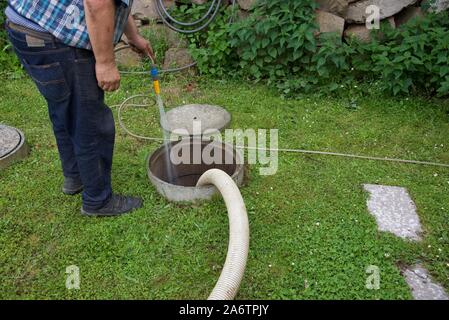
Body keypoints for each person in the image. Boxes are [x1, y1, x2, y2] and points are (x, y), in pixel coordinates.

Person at [5, 0, 155, 216]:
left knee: (66, 107)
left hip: (27, 25)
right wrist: (105, 63)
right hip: (54, 39)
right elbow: (99, 3)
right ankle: (98, 200)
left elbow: (117, 3)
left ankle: (75, 176)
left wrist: (133, 36)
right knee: (90, 121)